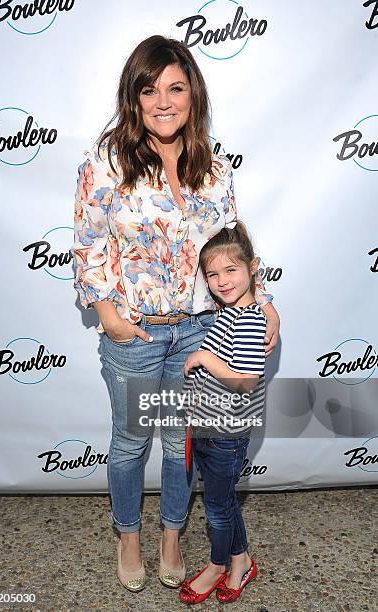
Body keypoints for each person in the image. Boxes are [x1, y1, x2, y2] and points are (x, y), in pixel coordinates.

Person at [72, 34, 280, 592]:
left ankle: (170, 535)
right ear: (133, 98)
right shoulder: (108, 159)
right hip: (134, 333)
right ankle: (128, 537)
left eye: (175, 88)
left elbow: (231, 246)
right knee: (130, 442)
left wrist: (260, 301)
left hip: (200, 331)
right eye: (149, 89)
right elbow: (89, 242)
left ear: (194, 94)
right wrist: (107, 313)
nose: (163, 101)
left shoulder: (212, 166)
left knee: (179, 441)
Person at [179, 222, 265, 605]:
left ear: (252, 269)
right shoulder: (227, 312)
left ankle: (218, 565)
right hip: (208, 427)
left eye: (231, 270)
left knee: (216, 507)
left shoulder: (248, 320)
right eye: (212, 274)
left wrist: (203, 358)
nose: (221, 281)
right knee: (225, 499)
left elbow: (246, 381)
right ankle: (241, 560)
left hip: (226, 436)